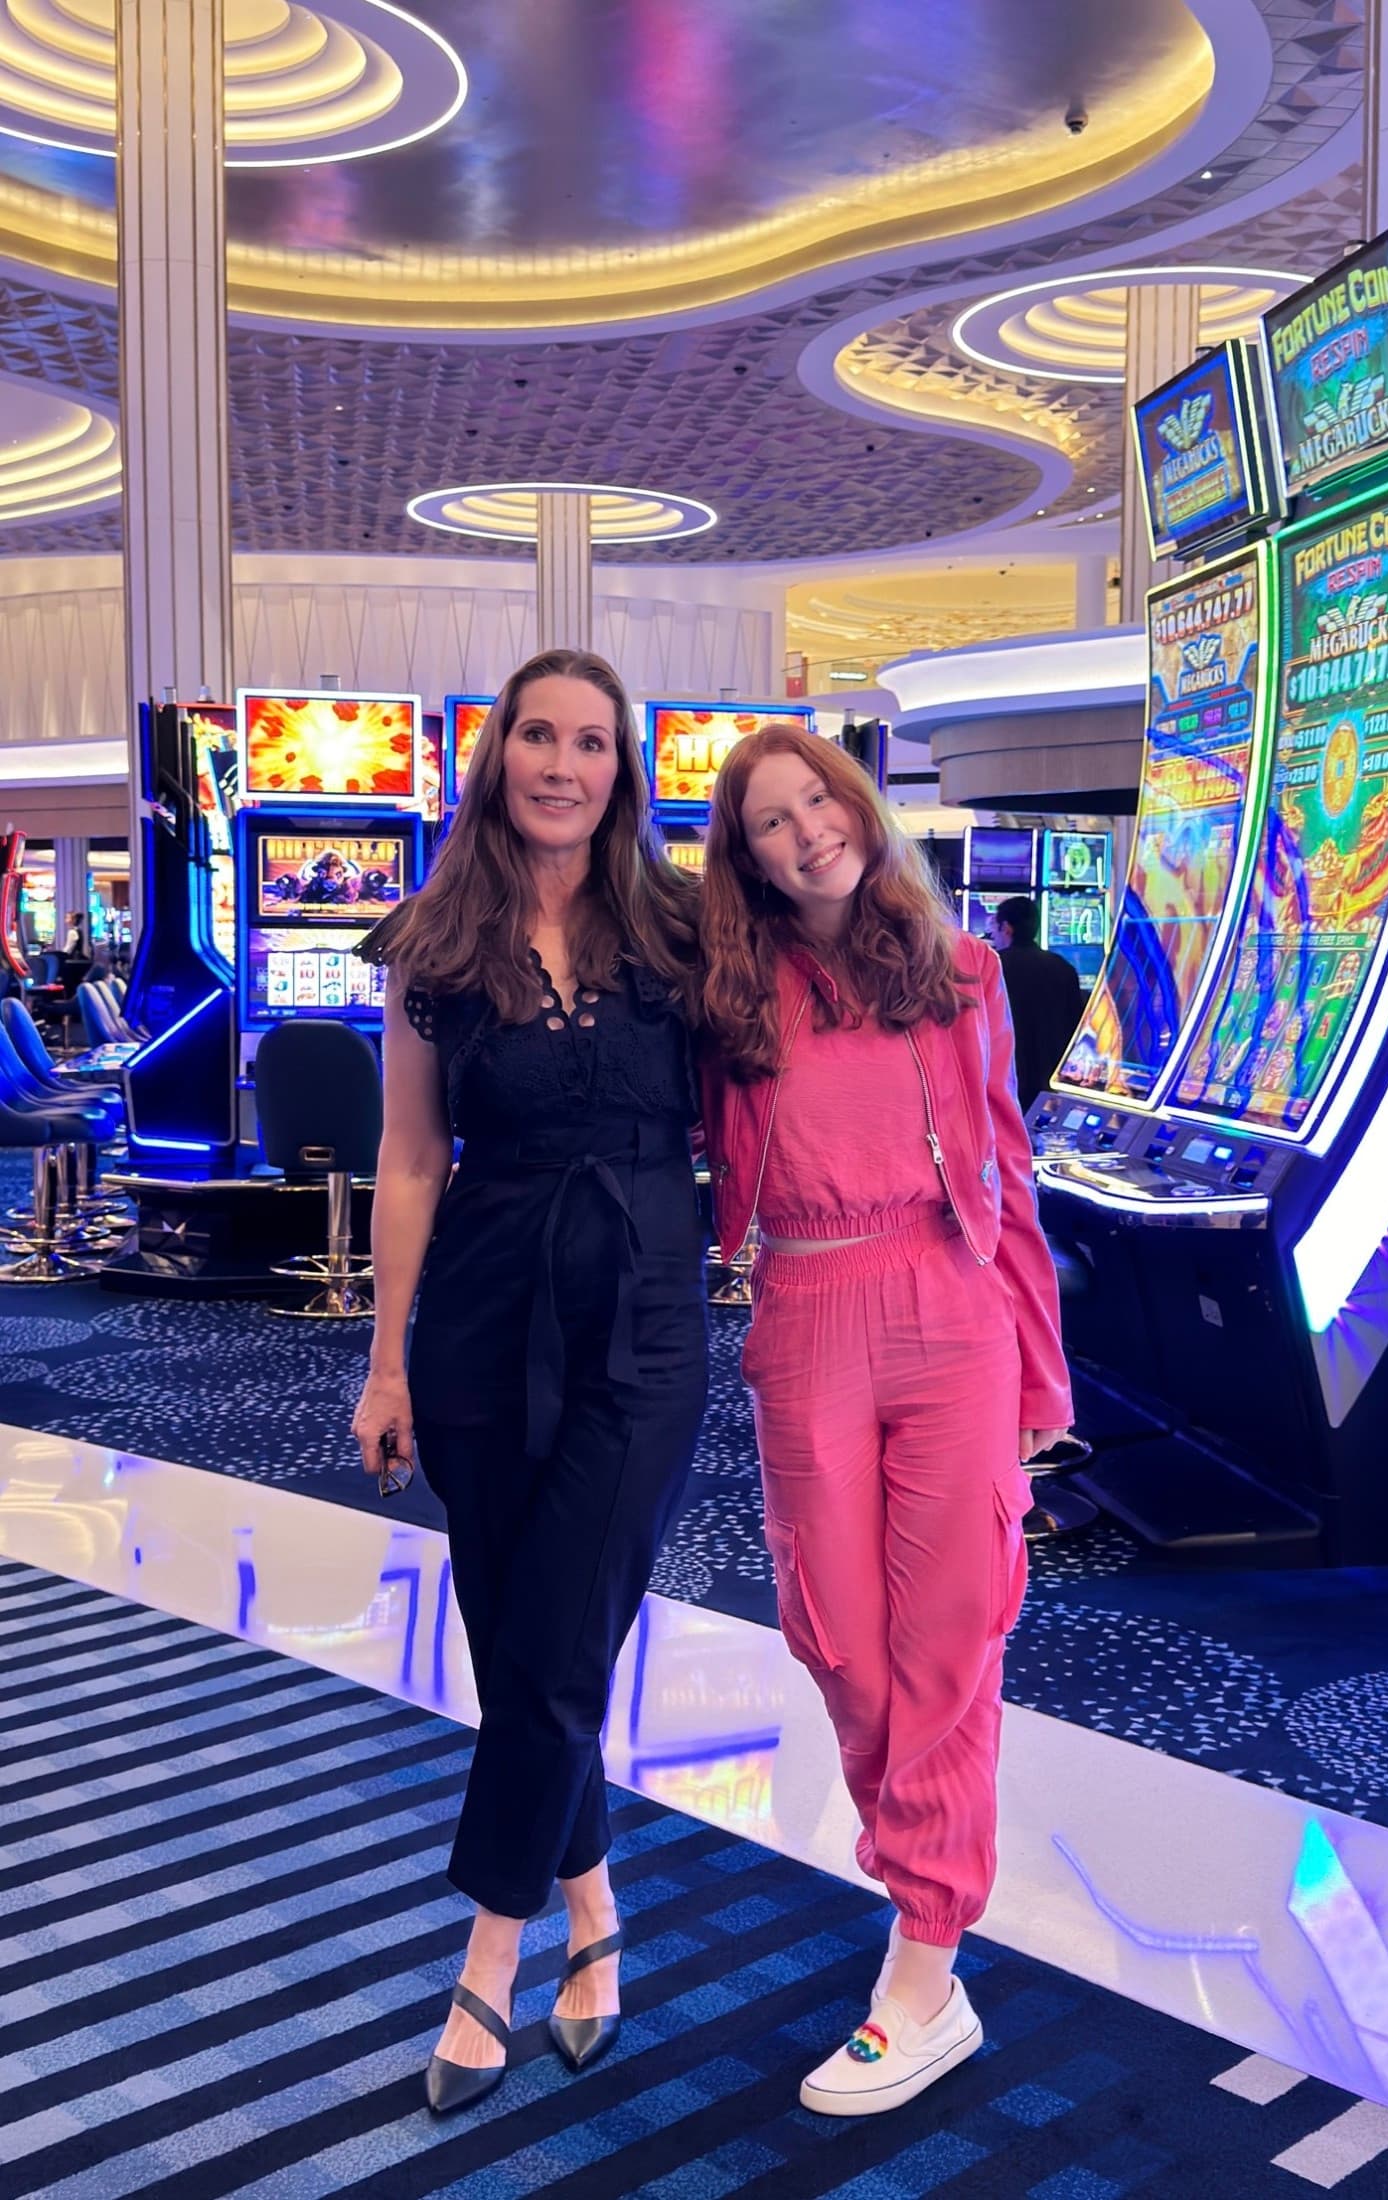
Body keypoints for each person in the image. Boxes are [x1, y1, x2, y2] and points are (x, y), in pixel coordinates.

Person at [350, 648, 709, 2117]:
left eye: (594, 743)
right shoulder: (436, 938)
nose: (564, 765)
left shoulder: (684, 929)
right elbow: (410, 1156)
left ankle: (487, 1965)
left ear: (623, 770)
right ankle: (599, 1913)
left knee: (561, 1637)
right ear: (499, 756)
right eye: (539, 738)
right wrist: (385, 1364)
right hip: (482, 1320)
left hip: (643, 1321)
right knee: (522, 1651)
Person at [700, 724, 1071, 2119]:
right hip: (804, 1308)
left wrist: (1042, 1374)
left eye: (820, 802)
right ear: (746, 857)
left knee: (954, 1625)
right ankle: (922, 1882)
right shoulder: (729, 991)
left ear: (860, 805)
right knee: (841, 1638)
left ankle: (925, 1952)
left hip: (951, 1302)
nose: (807, 834)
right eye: (772, 823)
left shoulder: (962, 972)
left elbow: (1007, 1172)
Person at [990, 893, 1084, 1107]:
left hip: (1007, 1078)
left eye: (994, 928)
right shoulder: (1063, 967)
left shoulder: (993, 968)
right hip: (1052, 1080)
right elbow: (1075, 1026)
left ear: (1007, 927)